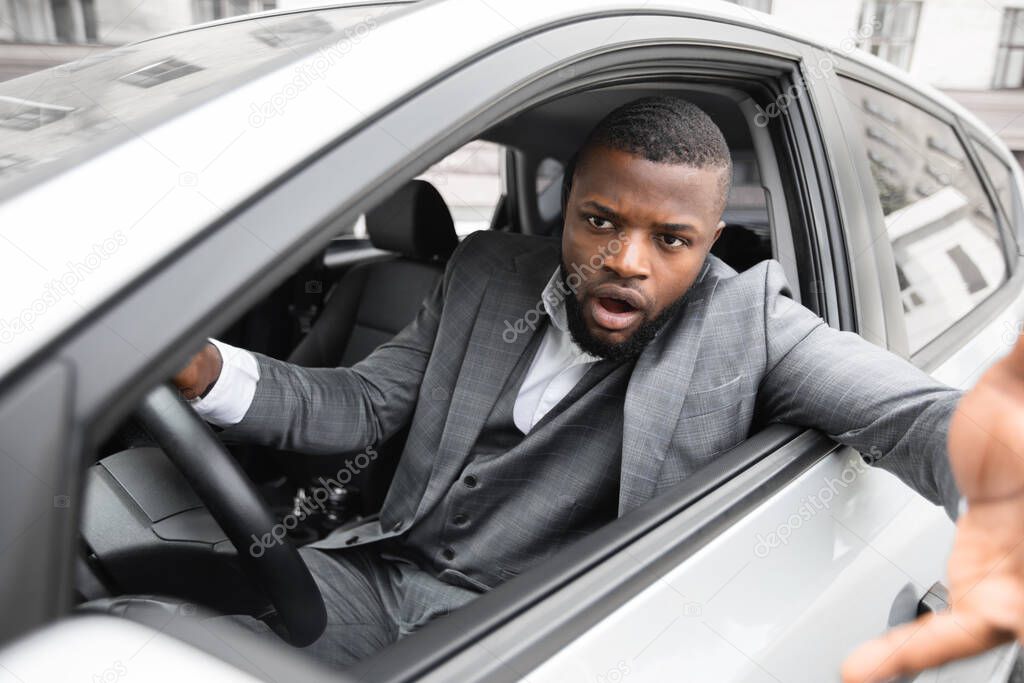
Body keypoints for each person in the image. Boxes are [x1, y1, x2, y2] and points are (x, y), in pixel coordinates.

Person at [174, 96, 1024, 680]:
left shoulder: (749, 324)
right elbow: (357, 404)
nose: (627, 260)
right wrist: (203, 365)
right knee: (166, 636)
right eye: (601, 220)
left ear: (712, 244)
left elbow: (920, 417)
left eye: (673, 238)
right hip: (381, 574)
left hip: (542, 637)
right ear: (565, 205)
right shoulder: (484, 273)